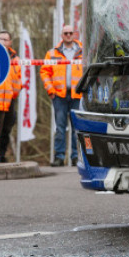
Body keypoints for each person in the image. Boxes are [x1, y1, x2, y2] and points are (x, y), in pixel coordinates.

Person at [40, 25, 83, 167]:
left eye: (71, 33)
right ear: (62, 35)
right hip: (59, 95)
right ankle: (59, 157)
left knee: (77, 127)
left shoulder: (83, 50)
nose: (69, 35)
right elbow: (44, 72)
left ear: (74, 34)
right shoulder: (52, 52)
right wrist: (50, 90)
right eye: (66, 33)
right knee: (60, 127)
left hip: (77, 95)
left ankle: (76, 157)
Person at [0, 30, 22, 163]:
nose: (3, 42)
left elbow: (18, 79)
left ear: (10, 42)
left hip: (10, 99)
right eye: (0, 39)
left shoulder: (15, 58)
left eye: (5, 39)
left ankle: (1, 154)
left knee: (7, 128)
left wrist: (14, 94)